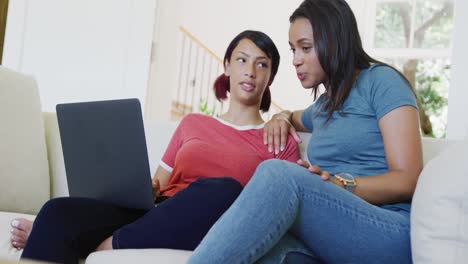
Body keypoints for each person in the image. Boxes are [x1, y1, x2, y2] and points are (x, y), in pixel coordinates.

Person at [12, 30, 300, 264]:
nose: (250, 71)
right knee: (56, 212)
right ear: (226, 65)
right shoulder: (192, 123)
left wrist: (285, 115)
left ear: (270, 76)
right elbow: (158, 186)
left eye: (261, 64)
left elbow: (279, 209)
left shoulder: (278, 137)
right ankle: (73, 236)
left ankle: (105, 245)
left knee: (222, 189)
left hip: (213, 222)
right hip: (158, 214)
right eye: (241, 60)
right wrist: (144, 188)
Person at [187, 0, 423, 263]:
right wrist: (280, 116)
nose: (295, 60)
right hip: (334, 233)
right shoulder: (323, 106)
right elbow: (293, 115)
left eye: (305, 48)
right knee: (258, 247)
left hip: (389, 230)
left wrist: (342, 184)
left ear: (334, 41)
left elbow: (408, 179)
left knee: (278, 173)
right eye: (292, 50)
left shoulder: (382, 82)